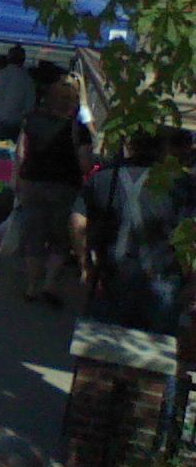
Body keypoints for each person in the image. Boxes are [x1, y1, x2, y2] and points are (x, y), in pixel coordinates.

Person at [72, 132, 194, 335]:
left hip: (110, 275)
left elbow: (77, 221)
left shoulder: (104, 177)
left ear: (131, 145)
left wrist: (85, 264)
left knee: (102, 352)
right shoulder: (182, 184)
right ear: (164, 149)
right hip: (162, 281)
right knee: (152, 357)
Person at [14, 80, 94, 305]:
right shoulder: (79, 130)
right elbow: (85, 164)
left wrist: (19, 180)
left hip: (33, 184)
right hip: (65, 187)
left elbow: (21, 153)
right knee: (59, 238)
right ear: (74, 104)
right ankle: (49, 284)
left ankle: (31, 286)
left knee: (34, 235)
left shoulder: (31, 121)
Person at [0, 46, 36, 141]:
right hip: (14, 125)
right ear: (23, 59)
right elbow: (29, 107)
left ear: (8, 58)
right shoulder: (28, 80)